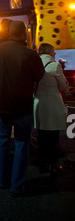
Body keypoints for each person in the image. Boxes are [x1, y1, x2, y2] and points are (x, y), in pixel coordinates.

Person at [0, 20, 44, 196]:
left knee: (2, 140)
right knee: (21, 143)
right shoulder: (30, 54)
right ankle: (17, 184)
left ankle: (3, 180)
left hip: (1, 103)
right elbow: (39, 75)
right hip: (22, 104)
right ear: (24, 34)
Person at [34, 43, 69, 174]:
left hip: (38, 103)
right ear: (48, 52)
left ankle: (41, 161)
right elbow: (63, 86)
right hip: (52, 104)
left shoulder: (35, 65)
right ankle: (52, 163)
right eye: (53, 51)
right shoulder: (54, 65)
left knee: (41, 134)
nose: (55, 54)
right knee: (53, 135)